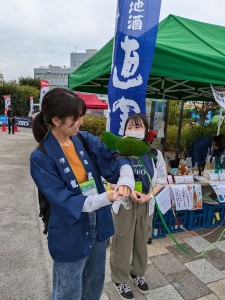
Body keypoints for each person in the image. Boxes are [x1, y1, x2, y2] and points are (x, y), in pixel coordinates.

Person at [30, 88, 134, 300]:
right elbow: (63, 200)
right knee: (67, 291)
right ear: (56, 120)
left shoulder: (84, 139)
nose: (81, 122)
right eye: (76, 118)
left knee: (94, 285)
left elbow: (114, 159)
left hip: (98, 224)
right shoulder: (40, 157)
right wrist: (107, 197)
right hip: (70, 229)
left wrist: (125, 181)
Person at [110, 113, 167, 300]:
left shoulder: (154, 154)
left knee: (141, 240)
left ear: (145, 129)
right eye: (130, 127)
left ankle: (137, 272)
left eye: (138, 127)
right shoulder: (117, 152)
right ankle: (120, 279)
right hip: (124, 204)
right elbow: (108, 179)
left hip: (145, 204)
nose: (133, 131)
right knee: (122, 242)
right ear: (124, 130)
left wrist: (149, 195)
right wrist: (125, 190)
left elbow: (161, 180)